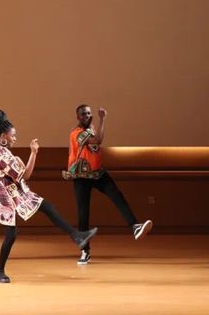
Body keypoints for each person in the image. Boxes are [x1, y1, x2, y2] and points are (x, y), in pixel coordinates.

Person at [0, 109, 97, 283]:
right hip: (7, 198)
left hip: (17, 192)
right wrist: (33, 153)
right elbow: (26, 175)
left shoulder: (1, 149)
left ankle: (76, 235)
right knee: (11, 234)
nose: (15, 138)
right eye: (13, 136)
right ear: (3, 136)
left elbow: (20, 173)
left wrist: (20, 160)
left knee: (46, 206)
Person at [62, 105, 153, 265]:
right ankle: (85, 251)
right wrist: (103, 119)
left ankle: (135, 227)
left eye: (89, 113)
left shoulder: (91, 129)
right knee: (83, 214)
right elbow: (97, 141)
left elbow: (94, 145)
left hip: (97, 173)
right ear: (78, 117)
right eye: (83, 114)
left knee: (117, 195)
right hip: (82, 177)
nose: (87, 116)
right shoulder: (76, 133)